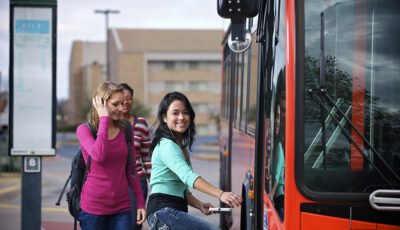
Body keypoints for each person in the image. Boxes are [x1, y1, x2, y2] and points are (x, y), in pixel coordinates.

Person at [146, 91, 242, 230]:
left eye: (185, 112)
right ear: (164, 117)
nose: (181, 117)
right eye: (175, 113)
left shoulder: (180, 147)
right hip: (163, 212)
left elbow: (181, 190)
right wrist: (221, 194)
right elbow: (189, 177)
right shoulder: (167, 145)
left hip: (169, 212)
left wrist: (200, 205)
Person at [76, 81, 146, 230]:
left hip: (122, 207)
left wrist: (140, 202)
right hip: (93, 209)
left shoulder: (126, 128)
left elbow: (131, 169)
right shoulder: (84, 130)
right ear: (100, 103)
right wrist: (104, 119)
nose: (121, 108)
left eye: (123, 103)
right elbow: (99, 155)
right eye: (116, 104)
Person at [121, 83, 152, 230]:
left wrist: (154, 181)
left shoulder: (141, 124)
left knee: (135, 224)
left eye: (129, 98)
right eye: (122, 99)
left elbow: (147, 156)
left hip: (138, 179)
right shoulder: (108, 124)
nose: (125, 102)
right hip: (115, 181)